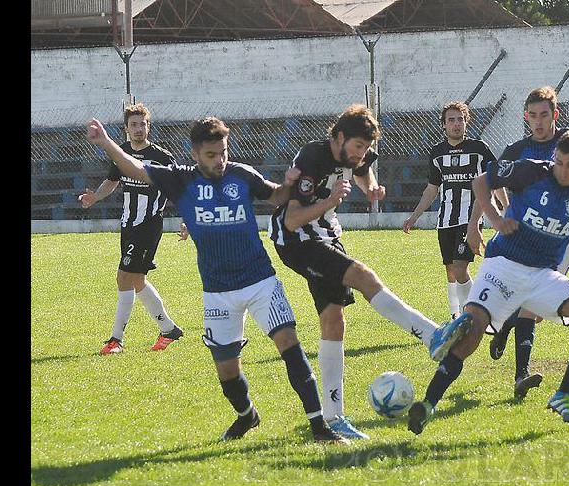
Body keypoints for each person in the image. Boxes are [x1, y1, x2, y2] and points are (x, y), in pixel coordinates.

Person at [86, 116, 350, 444]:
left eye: (223, 152)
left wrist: (293, 183)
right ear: (195, 154)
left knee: (289, 345)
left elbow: (276, 196)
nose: (220, 160)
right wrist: (104, 143)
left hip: (260, 281)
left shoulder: (241, 174)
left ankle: (319, 427)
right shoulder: (180, 181)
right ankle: (246, 415)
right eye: (212, 154)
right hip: (217, 292)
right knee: (226, 369)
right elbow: (135, 167)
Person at [407, 129, 569, 434]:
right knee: (472, 334)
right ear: (554, 157)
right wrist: (495, 220)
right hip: (502, 266)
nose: (563, 170)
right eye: (560, 162)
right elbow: (482, 181)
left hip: (541, 276)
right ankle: (427, 404)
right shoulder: (531, 170)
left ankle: (564, 395)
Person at [268, 104, 471, 440]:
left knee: (334, 320)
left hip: (327, 237)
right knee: (363, 277)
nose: (361, 154)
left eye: (366, 148)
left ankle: (334, 417)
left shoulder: (353, 154)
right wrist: (329, 201)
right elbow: (291, 220)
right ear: (339, 136)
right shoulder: (312, 160)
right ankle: (430, 335)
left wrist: (371, 188)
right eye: (358, 147)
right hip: (298, 241)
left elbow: (363, 170)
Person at [465, 86, 569, 402]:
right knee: (530, 306)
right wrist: (474, 225)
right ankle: (521, 376)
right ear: (525, 117)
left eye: (544, 115)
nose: (538, 122)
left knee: (535, 310)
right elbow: (487, 183)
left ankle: (503, 327)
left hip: (562, 241)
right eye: (532, 115)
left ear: (556, 115)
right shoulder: (516, 150)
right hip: (521, 240)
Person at [77, 103, 183, 355]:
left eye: (142, 124)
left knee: (124, 277)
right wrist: (95, 197)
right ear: (126, 129)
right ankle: (168, 329)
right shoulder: (121, 153)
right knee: (136, 280)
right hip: (128, 223)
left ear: (149, 127)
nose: (138, 129)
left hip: (148, 224)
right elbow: (111, 181)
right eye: (133, 125)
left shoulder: (162, 157)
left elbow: (179, 188)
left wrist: (186, 218)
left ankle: (116, 339)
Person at [403, 101, 506, 320]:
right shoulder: (437, 153)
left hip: (470, 219)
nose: (456, 124)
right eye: (451, 120)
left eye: (461, 119)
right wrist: (414, 217)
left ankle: (473, 316)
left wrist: (506, 209)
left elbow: (494, 179)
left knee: (460, 267)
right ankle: (455, 315)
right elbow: (432, 189)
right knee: (451, 270)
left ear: (467, 122)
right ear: (443, 125)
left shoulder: (479, 149)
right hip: (445, 220)